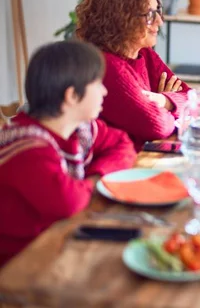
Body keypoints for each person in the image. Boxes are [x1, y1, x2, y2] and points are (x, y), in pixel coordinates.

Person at [0, 41, 136, 267]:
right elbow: (69, 201)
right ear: (72, 96)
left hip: (53, 241)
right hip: (17, 266)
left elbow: (123, 144)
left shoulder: (80, 130)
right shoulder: (28, 149)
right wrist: (95, 183)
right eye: (97, 83)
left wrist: (93, 176)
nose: (105, 91)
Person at [76, 0, 190, 149]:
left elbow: (191, 99)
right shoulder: (107, 65)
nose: (160, 21)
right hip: (120, 166)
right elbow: (156, 126)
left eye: (158, 11)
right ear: (122, 18)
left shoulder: (144, 54)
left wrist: (163, 101)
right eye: (150, 15)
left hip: (143, 155)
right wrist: (172, 109)